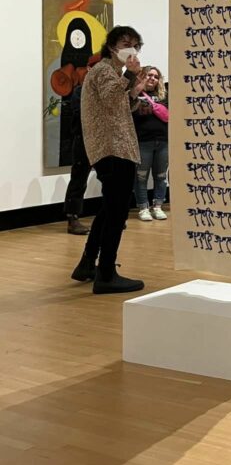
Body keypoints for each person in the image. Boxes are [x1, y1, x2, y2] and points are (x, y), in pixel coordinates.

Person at [70, 25, 146, 294]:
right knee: (116, 212)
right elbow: (113, 98)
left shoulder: (112, 72)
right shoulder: (104, 70)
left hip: (116, 147)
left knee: (109, 208)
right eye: (126, 42)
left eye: (136, 44)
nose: (131, 49)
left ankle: (88, 263)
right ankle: (106, 272)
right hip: (112, 148)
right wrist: (131, 76)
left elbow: (121, 106)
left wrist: (133, 91)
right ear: (112, 45)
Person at [132, 65, 169, 221]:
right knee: (141, 177)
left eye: (155, 76)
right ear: (142, 76)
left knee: (161, 176)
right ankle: (143, 207)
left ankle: (158, 206)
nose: (152, 78)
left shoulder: (163, 96)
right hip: (142, 141)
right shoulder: (134, 95)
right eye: (149, 75)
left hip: (162, 141)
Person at [63, 82, 92, 234]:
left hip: (103, 139)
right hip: (84, 138)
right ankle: (72, 218)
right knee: (79, 178)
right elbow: (81, 112)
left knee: (109, 179)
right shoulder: (80, 91)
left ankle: (110, 215)